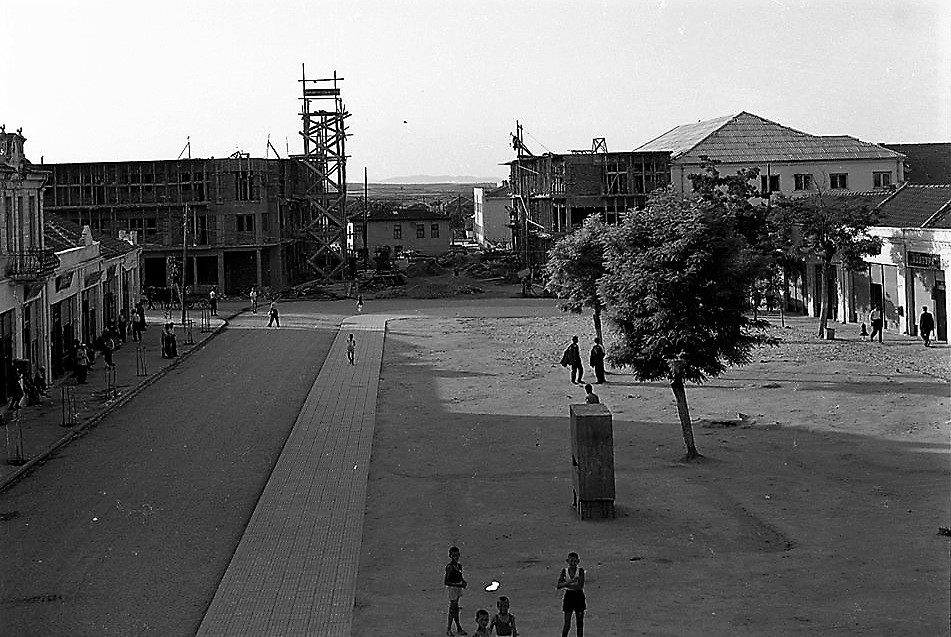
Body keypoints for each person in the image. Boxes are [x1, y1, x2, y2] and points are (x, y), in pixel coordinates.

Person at [557, 551, 586, 637]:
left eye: (575, 561)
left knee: (580, 623)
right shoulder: (564, 571)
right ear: (567, 561)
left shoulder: (580, 571)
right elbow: (558, 585)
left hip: (578, 596)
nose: (573, 563)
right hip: (569, 597)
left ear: (578, 562)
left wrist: (566, 584)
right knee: (567, 624)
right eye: (571, 561)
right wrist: (572, 581)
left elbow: (580, 585)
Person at [445, 546, 468, 636]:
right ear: (450, 556)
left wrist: (463, 581)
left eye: (457, 555)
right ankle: (453, 628)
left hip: (458, 588)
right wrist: (459, 584)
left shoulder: (459, 566)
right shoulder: (449, 567)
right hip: (453, 589)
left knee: (454, 609)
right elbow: (446, 581)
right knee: (453, 610)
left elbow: (460, 576)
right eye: (454, 555)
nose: (455, 557)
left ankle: (455, 628)